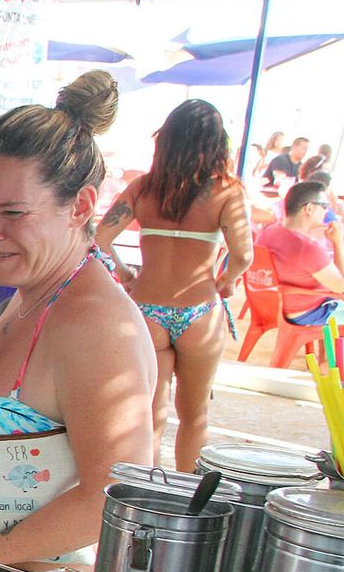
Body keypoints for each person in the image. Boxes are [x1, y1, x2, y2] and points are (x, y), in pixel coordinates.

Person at [0, 71, 155, 566]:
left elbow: (113, 495)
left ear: (81, 206)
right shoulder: (35, 293)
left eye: (14, 213)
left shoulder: (96, 324)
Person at [94, 99, 252, 471]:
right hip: (200, 312)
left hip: (147, 311)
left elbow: (100, 237)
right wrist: (226, 280)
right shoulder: (227, 192)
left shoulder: (144, 189)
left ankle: (148, 498)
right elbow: (243, 254)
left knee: (151, 417)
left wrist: (124, 275)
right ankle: (188, 501)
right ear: (217, 143)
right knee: (195, 417)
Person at [255, 179, 344, 327]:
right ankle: (333, 348)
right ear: (309, 208)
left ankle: (326, 349)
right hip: (304, 312)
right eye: (324, 206)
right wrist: (338, 243)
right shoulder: (307, 249)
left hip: (270, 306)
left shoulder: (268, 230)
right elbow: (341, 286)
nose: (327, 211)